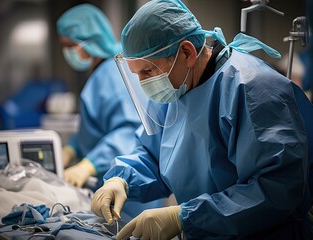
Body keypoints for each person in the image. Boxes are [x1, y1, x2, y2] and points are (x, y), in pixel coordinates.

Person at [91, 0, 313, 239]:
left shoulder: (252, 90)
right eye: (137, 75)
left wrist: (186, 216)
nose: (145, 84)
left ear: (187, 52)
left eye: (148, 71)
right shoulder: (177, 88)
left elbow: (276, 187)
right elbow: (154, 155)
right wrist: (121, 179)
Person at [56, 3, 164, 219]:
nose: (67, 52)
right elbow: (97, 126)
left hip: (129, 189)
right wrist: (73, 148)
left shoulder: (113, 73)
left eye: (71, 45)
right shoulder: (103, 71)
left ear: (89, 41)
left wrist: (88, 164)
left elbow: (128, 129)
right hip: (113, 182)